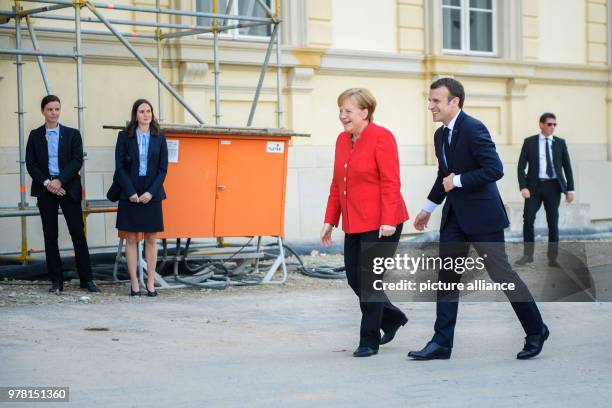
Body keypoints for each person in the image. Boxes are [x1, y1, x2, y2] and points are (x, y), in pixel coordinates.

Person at [409, 78, 548, 360]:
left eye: (436, 100)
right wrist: (428, 208)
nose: (430, 105)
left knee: (502, 276)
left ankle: (536, 330)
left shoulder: (473, 128)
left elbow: (494, 169)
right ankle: (441, 342)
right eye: (430, 99)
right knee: (446, 278)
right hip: (454, 219)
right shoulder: (440, 135)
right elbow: (443, 176)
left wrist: (458, 181)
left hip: (483, 218)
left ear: (454, 102)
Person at [321, 88, 409, 357]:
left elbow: (391, 181)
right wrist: (329, 220)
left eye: (347, 111)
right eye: (340, 111)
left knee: (371, 281)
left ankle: (369, 341)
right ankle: (391, 317)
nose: (342, 116)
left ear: (364, 112)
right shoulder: (341, 140)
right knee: (353, 279)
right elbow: (338, 183)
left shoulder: (382, 137)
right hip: (354, 221)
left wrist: (387, 220)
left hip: (384, 221)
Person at [25, 95, 99, 295]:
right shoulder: (34, 135)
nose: (54, 112)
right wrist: (49, 183)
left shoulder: (72, 134)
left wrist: (60, 181)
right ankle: (56, 281)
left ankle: (87, 279)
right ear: (43, 111)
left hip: (68, 187)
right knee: (50, 235)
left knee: (77, 233)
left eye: (57, 109)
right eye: (50, 109)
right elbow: (30, 164)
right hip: (45, 190)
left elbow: (76, 160)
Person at [115, 99, 168, 297]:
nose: (145, 115)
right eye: (141, 111)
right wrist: (130, 192)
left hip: (151, 192)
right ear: (135, 115)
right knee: (130, 237)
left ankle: (151, 282)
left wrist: (150, 192)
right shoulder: (124, 137)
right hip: (130, 191)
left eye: (148, 111)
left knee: (152, 238)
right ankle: (134, 282)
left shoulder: (160, 138)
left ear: (152, 115)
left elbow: (163, 169)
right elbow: (119, 167)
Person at [516, 113, 575, 267]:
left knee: (552, 222)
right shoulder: (529, 142)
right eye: (549, 124)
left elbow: (567, 167)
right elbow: (521, 166)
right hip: (534, 188)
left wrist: (570, 190)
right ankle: (528, 255)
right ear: (541, 125)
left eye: (555, 124)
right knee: (528, 220)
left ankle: (552, 258)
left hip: (553, 187)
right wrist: (523, 187)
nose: (552, 127)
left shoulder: (560, 143)